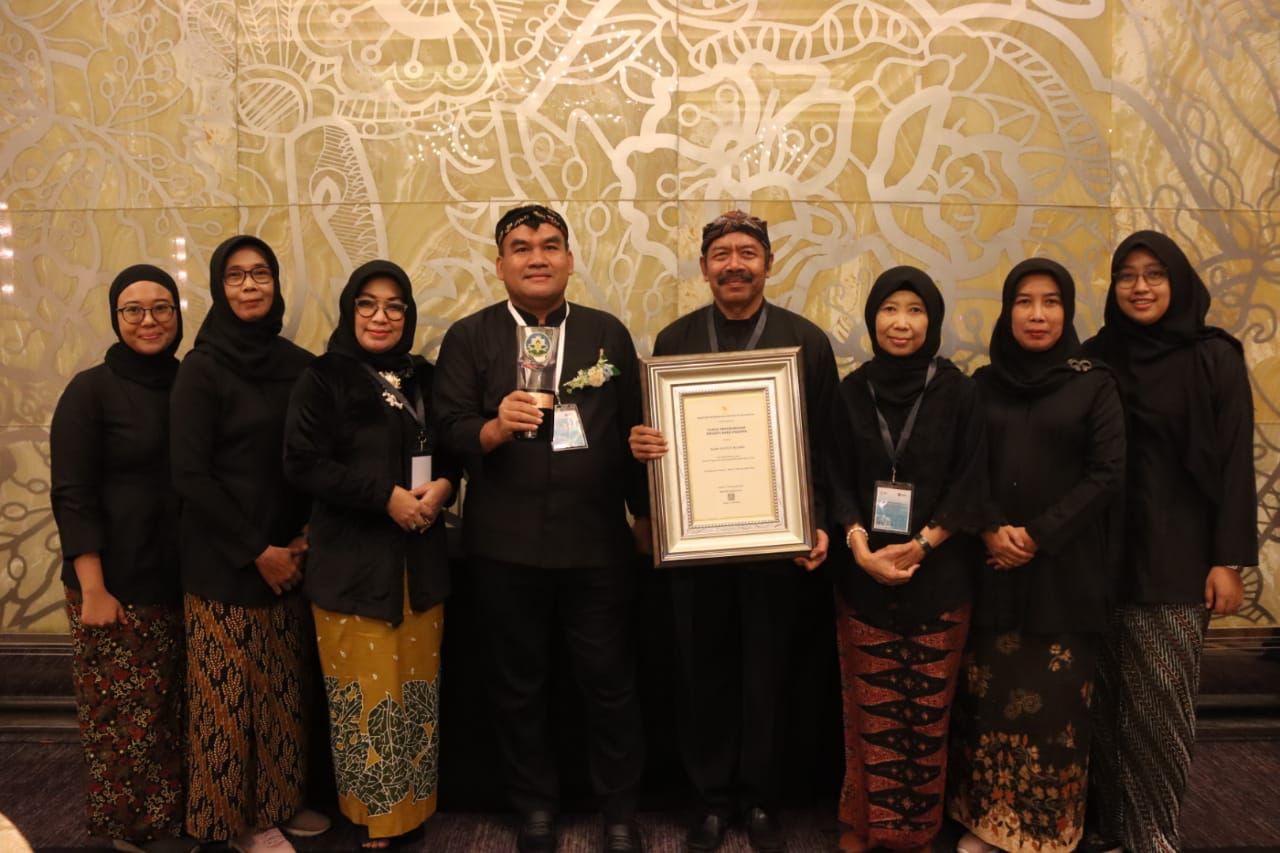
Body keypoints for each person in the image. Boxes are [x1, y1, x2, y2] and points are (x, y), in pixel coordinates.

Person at [432, 205, 648, 853]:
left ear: (570, 260)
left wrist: (647, 516)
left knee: (609, 682)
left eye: (551, 245)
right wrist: (494, 428)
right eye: (521, 247)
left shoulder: (607, 333)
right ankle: (534, 808)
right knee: (517, 685)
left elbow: (634, 433)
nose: (537, 257)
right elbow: (448, 430)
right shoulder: (470, 337)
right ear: (500, 265)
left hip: (596, 541)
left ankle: (619, 811)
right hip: (505, 544)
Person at [628, 210, 837, 853]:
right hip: (697, 542)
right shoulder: (675, 340)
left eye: (748, 252)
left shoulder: (806, 341)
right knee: (702, 673)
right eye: (721, 255)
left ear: (769, 264)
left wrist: (819, 521)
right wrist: (643, 448)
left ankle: (761, 799)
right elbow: (658, 437)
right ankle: (712, 801)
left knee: (768, 673)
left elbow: (829, 444)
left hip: (776, 542)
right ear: (704, 268)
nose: (735, 265)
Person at [1080, 231, 1257, 853]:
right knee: (1104, 704)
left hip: (1178, 559)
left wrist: (1227, 561)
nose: (1140, 287)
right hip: (1102, 557)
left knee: (1160, 707)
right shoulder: (1094, 357)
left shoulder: (1214, 357)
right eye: (1127, 275)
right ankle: (1109, 825)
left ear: (1177, 281)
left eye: (1154, 274)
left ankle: (1153, 836)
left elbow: (1235, 464)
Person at [947, 259, 1125, 853]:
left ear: (1067, 312)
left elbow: (1106, 473)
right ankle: (988, 824)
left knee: (1055, 710)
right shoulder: (981, 385)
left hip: (1064, 574)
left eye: (1051, 302)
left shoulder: (1094, 383)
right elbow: (965, 466)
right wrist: (990, 528)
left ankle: (1046, 832)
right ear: (1007, 311)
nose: (1038, 314)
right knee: (989, 703)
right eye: (1024, 301)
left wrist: (1037, 536)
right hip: (991, 568)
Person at [284, 260, 459, 849]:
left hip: (420, 566)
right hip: (352, 567)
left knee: (415, 693)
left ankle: (414, 809)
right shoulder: (323, 378)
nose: (380, 317)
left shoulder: (424, 377)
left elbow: (451, 447)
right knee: (366, 697)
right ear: (349, 310)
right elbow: (302, 463)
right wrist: (384, 497)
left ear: (407, 314)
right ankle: (376, 818)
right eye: (367, 304)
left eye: (394, 306)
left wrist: (445, 486)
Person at [169, 235, 329, 853]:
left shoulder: (300, 364)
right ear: (218, 287)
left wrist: (300, 539)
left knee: (283, 692)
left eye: (261, 273)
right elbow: (191, 476)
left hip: (289, 556)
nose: (249, 285)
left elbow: (315, 456)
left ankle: (280, 804)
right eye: (235, 276)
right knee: (228, 700)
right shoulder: (201, 368)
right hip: (225, 559)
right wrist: (257, 551)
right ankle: (233, 823)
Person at [827, 266, 985, 853]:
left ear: (933, 320)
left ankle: (915, 830)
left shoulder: (960, 392)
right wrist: (859, 547)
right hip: (863, 573)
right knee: (869, 706)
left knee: (925, 710)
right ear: (872, 319)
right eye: (889, 309)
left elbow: (972, 481)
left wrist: (922, 544)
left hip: (939, 575)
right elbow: (834, 476)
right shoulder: (850, 391)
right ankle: (864, 820)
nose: (901, 322)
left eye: (915, 310)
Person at [50, 265, 195, 853]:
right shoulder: (90, 391)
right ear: (115, 318)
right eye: (133, 310)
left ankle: (177, 817)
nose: (149, 320)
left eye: (162, 308)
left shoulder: (188, 383)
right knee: (126, 716)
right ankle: (136, 830)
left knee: (171, 709)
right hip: (113, 584)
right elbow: (73, 494)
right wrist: (93, 588)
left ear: (178, 315)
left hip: (180, 576)